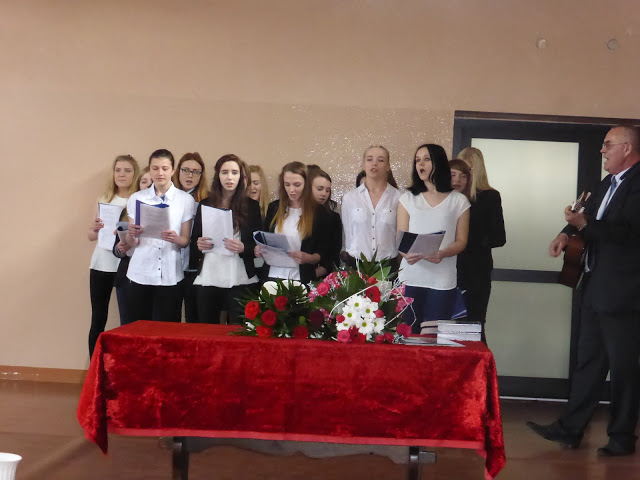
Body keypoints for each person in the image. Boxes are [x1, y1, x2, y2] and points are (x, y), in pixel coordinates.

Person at [527, 125, 640, 457]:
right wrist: (566, 233)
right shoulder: (607, 183)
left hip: (624, 291)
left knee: (623, 367)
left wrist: (585, 225)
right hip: (594, 285)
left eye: (608, 145)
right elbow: (587, 217)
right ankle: (570, 428)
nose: (602, 151)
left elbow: (626, 233)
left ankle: (622, 437)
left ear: (628, 148)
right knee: (588, 361)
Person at [397, 144, 470, 333]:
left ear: (438, 162)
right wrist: (406, 254)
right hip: (411, 277)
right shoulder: (407, 198)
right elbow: (401, 239)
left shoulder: (458, 200)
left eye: (426, 159)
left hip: (442, 279)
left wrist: (442, 253)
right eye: (417, 160)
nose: (420, 164)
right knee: (407, 335)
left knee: (433, 339)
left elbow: (461, 241)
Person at [125, 149, 195, 323]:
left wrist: (175, 238)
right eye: (155, 168)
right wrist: (131, 234)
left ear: (173, 170)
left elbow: (185, 241)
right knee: (138, 327)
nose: (160, 173)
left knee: (167, 328)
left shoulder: (185, 200)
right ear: (150, 170)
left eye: (165, 168)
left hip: (170, 273)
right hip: (140, 271)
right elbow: (131, 242)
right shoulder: (136, 198)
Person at [190, 154, 262, 324]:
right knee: (207, 328)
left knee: (239, 329)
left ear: (241, 177)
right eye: (225, 172)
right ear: (218, 175)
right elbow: (194, 242)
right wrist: (199, 244)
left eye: (234, 173)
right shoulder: (205, 204)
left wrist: (244, 248)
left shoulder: (251, 206)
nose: (229, 177)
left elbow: (258, 244)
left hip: (240, 275)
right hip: (210, 274)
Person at [87, 155, 139, 357]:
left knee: (129, 319)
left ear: (134, 174)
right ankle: (95, 367)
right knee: (98, 317)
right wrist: (94, 229)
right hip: (101, 263)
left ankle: (125, 363)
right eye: (118, 170)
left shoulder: (138, 200)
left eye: (127, 170)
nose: (122, 174)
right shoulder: (104, 199)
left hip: (127, 265)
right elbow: (91, 236)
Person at [450, 154, 506, 343]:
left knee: (473, 325)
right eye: (455, 173)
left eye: (465, 172)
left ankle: (479, 362)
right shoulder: (448, 198)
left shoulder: (489, 197)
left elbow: (499, 237)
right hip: (449, 268)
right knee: (448, 326)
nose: (458, 179)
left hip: (475, 270)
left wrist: (466, 240)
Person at [256, 162, 331, 284]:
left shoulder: (319, 212)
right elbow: (265, 238)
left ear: (306, 184)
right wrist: (259, 249)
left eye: (297, 185)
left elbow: (324, 252)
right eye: (287, 184)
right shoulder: (274, 207)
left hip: (301, 277)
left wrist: (309, 258)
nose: (291, 190)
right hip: (272, 276)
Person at [341, 146, 402, 268]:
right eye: (369, 159)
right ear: (363, 165)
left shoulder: (398, 197)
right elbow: (348, 235)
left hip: (387, 264)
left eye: (381, 160)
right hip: (357, 263)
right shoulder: (349, 198)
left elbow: (400, 235)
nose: (374, 163)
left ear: (388, 166)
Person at [172, 152, 208, 323]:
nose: (190, 175)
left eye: (195, 172)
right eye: (185, 170)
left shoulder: (207, 201)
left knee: (193, 318)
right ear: (177, 171)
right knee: (170, 317)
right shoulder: (169, 197)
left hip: (195, 268)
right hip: (171, 266)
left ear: (201, 176)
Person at [112, 168, 150, 326]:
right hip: (126, 276)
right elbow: (116, 250)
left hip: (152, 276)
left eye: (152, 182)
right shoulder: (128, 209)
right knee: (128, 326)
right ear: (138, 185)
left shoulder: (167, 210)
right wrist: (120, 248)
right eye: (144, 182)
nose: (148, 186)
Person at [307, 165, 342, 277]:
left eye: (327, 190)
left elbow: (334, 252)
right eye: (319, 189)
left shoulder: (333, 218)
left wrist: (316, 273)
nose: (324, 194)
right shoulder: (297, 214)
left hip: (321, 275)